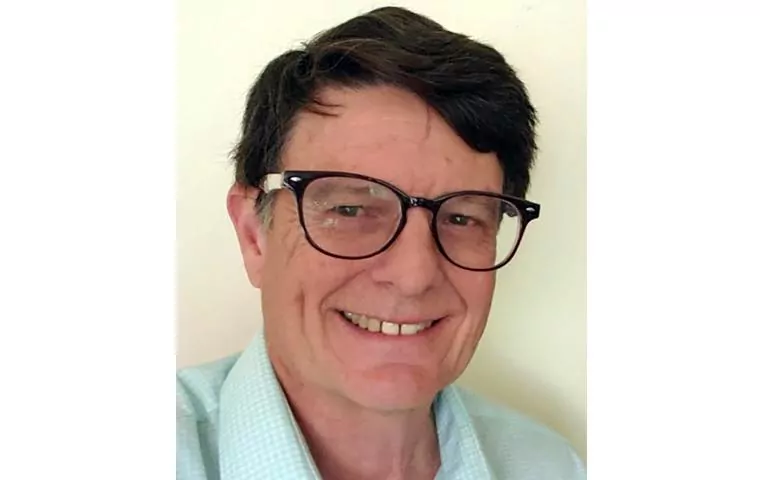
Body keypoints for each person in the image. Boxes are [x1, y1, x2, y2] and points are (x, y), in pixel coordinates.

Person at [177, 6, 586, 479]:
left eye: (461, 218)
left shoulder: (552, 466)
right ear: (254, 235)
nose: (414, 276)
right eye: (350, 210)